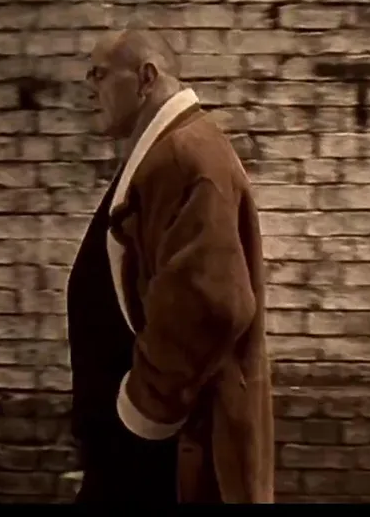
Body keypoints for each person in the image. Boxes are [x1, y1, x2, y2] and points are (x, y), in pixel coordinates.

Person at [66, 28, 274, 504]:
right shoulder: (168, 151)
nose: (89, 90)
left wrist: (141, 410)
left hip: (165, 450)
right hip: (146, 444)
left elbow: (212, 302)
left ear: (146, 78)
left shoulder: (183, 156)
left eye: (100, 75)